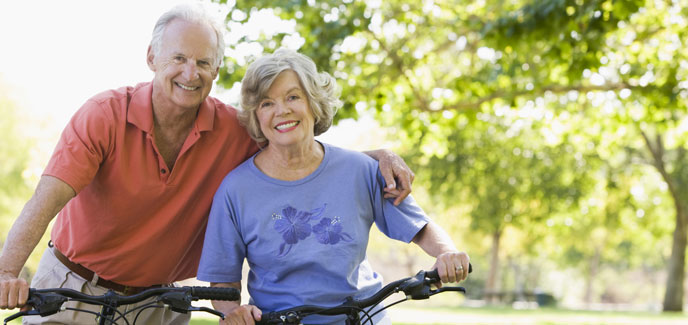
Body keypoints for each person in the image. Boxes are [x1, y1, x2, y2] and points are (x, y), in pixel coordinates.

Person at [0, 4, 415, 324]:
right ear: (152, 57)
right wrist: (6, 272)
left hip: (159, 301)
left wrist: (375, 158)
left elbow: (298, 153)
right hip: (74, 287)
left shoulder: (232, 130)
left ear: (216, 69)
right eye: (179, 58)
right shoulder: (104, 115)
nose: (190, 72)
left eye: (203, 62)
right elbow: (47, 197)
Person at [196, 49, 470, 325]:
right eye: (267, 103)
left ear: (314, 103)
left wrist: (446, 254)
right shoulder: (236, 189)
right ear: (256, 116)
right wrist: (233, 313)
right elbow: (223, 280)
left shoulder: (361, 170)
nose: (282, 110)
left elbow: (419, 227)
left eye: (293, 97)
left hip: (363, 316)